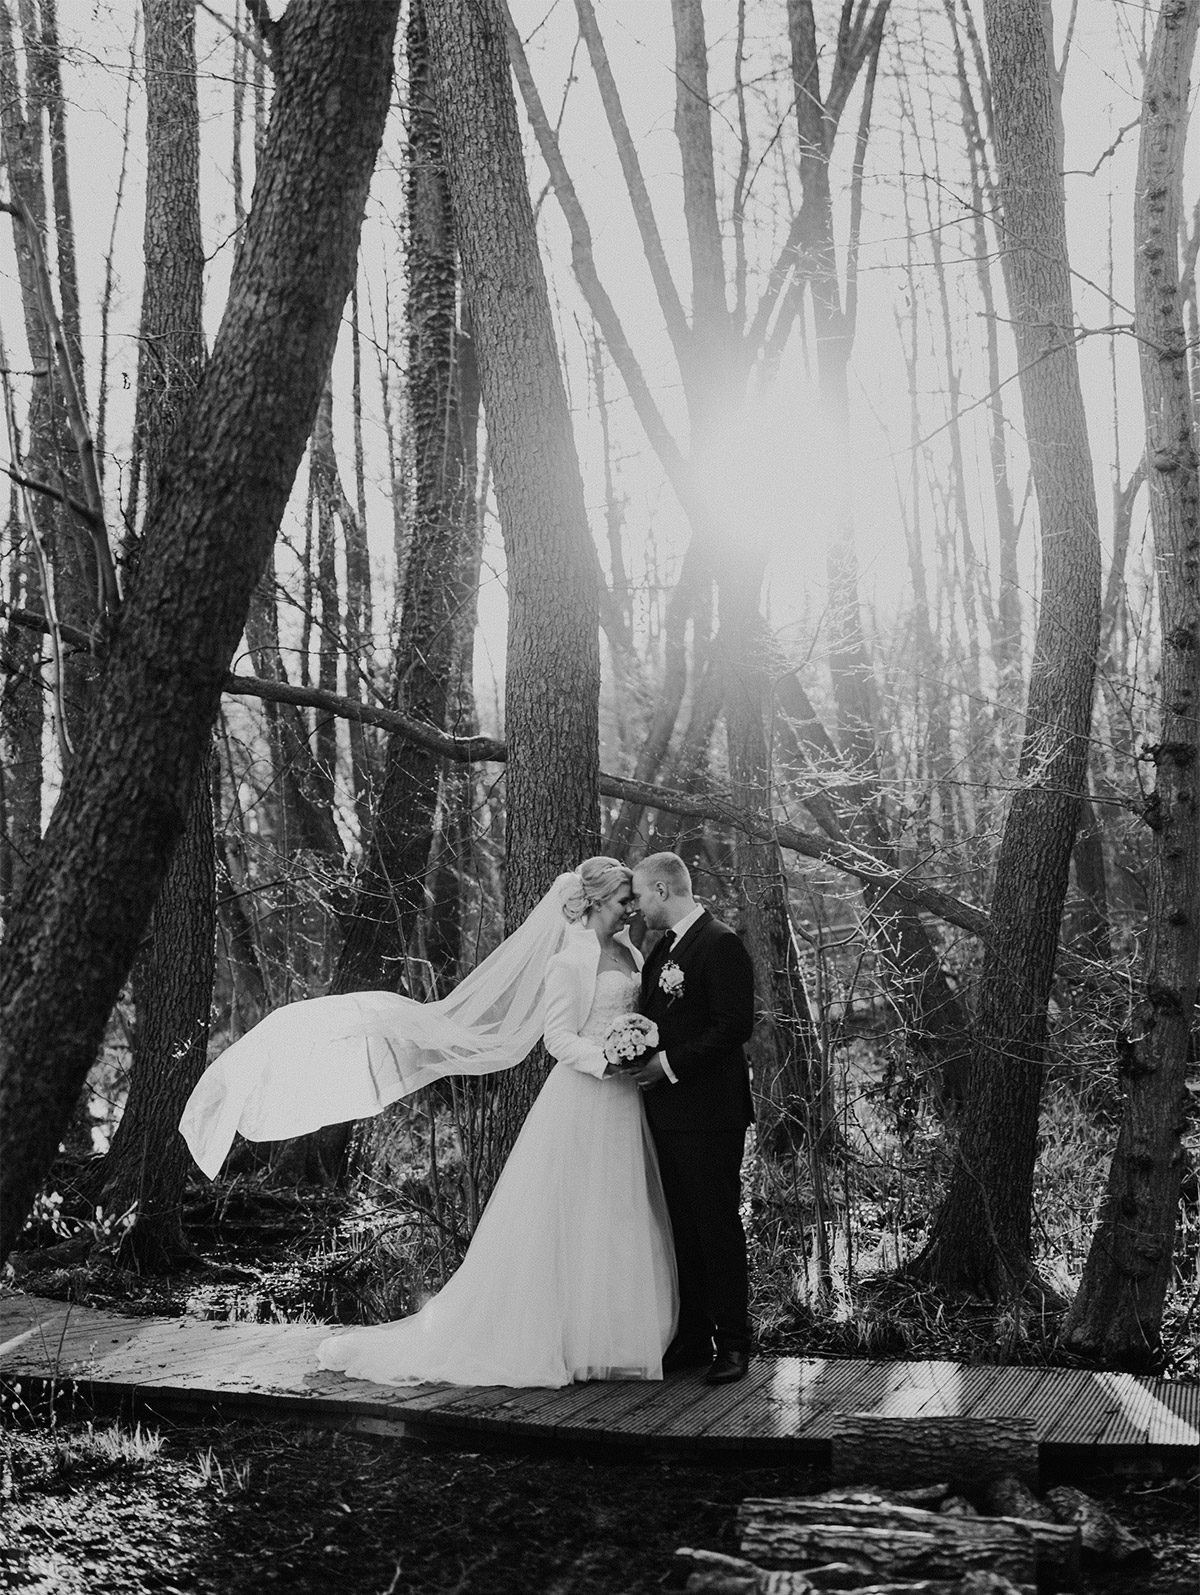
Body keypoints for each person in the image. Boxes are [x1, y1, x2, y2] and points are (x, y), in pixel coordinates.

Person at [180, 859, 676, 1388]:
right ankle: (570, 1340)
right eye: (624, 900)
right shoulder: (568, 961)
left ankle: (617, 1339)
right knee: (572, 1216)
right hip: (584, 1098)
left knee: (620, 1211)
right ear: (597, 902)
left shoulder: (630, 952)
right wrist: (609, 1060)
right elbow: (557, 1038)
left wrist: (640, 1050)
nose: (632, 909)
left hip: (627, 1103)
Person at [626, 851, 756, 1385]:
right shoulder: (661, 949)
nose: (635, 906)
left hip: (710, 1113)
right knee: (681, 1227)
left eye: (637, 895)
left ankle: (734, 1343)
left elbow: (734, 1026)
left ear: (662, 889)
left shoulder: (720, 943)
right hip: (667, 1113)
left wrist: (668, 1065)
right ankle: (693, 1337)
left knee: (716, 1227)